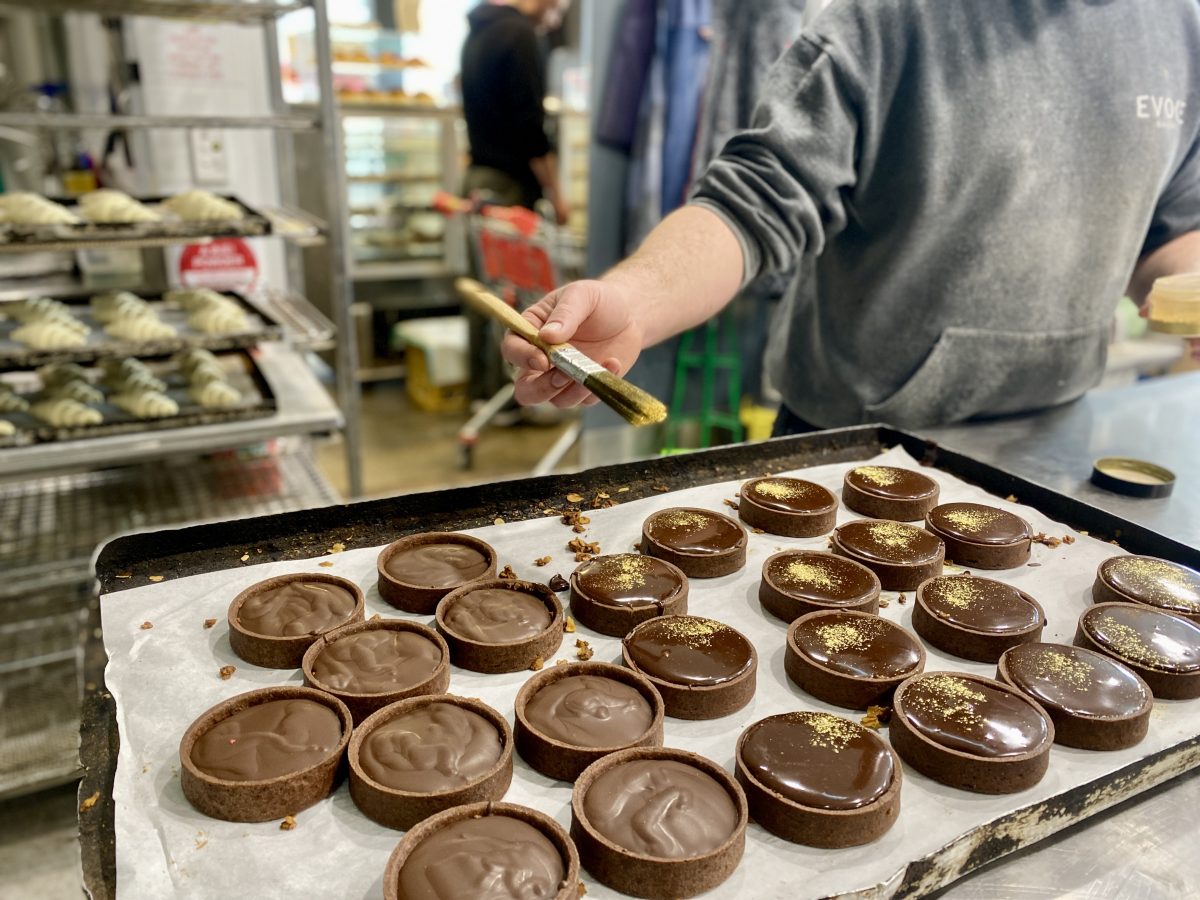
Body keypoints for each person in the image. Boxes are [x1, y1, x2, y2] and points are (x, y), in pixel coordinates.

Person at [503, 0, 1200, 432]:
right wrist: (631, 299)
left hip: (1050, 429)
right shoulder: (890, 16)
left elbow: (1171, 226)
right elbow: (756, 200)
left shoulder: (1178, 27)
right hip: (855, 442)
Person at [461, 0, 570, 225]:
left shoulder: (477, 31)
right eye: (555, 10)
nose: (555, 22)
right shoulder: (521, 34)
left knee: (483, 260)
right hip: (508, 189)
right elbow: (530, 127)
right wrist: (556, 195)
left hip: (476, 180)